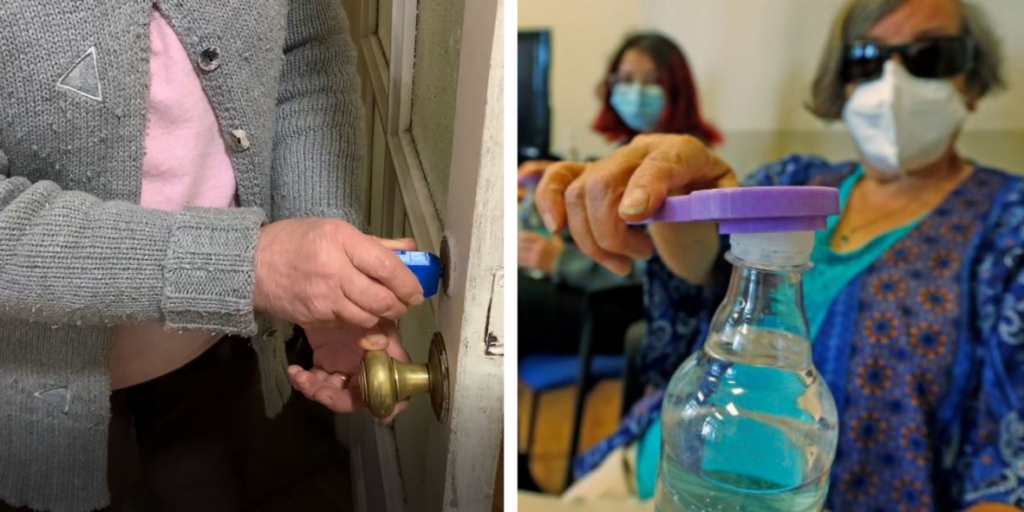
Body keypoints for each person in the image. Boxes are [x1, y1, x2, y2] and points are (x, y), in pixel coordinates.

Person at [537, 0, 1024, 509]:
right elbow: (701, 270)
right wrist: (677, 195)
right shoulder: (793, 182)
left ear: (971, 81)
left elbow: (1008, 468)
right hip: (664, 467)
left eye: (929, 55)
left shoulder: (1009, 230)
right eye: (866, 59)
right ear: (842, 84)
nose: (893, 80)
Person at [0, 1, 418, 511]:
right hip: (26, 373)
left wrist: (321, 251)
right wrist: (247, 266)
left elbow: (302, 51)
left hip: (219, 339)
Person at [518, 33, 720, 351]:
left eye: (652, 82)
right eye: (625, 80)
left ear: (677, 91)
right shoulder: (622, 152)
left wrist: (560, 261)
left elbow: (662, 267)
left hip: (643, 310)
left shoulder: (691, 169)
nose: (636, 93)